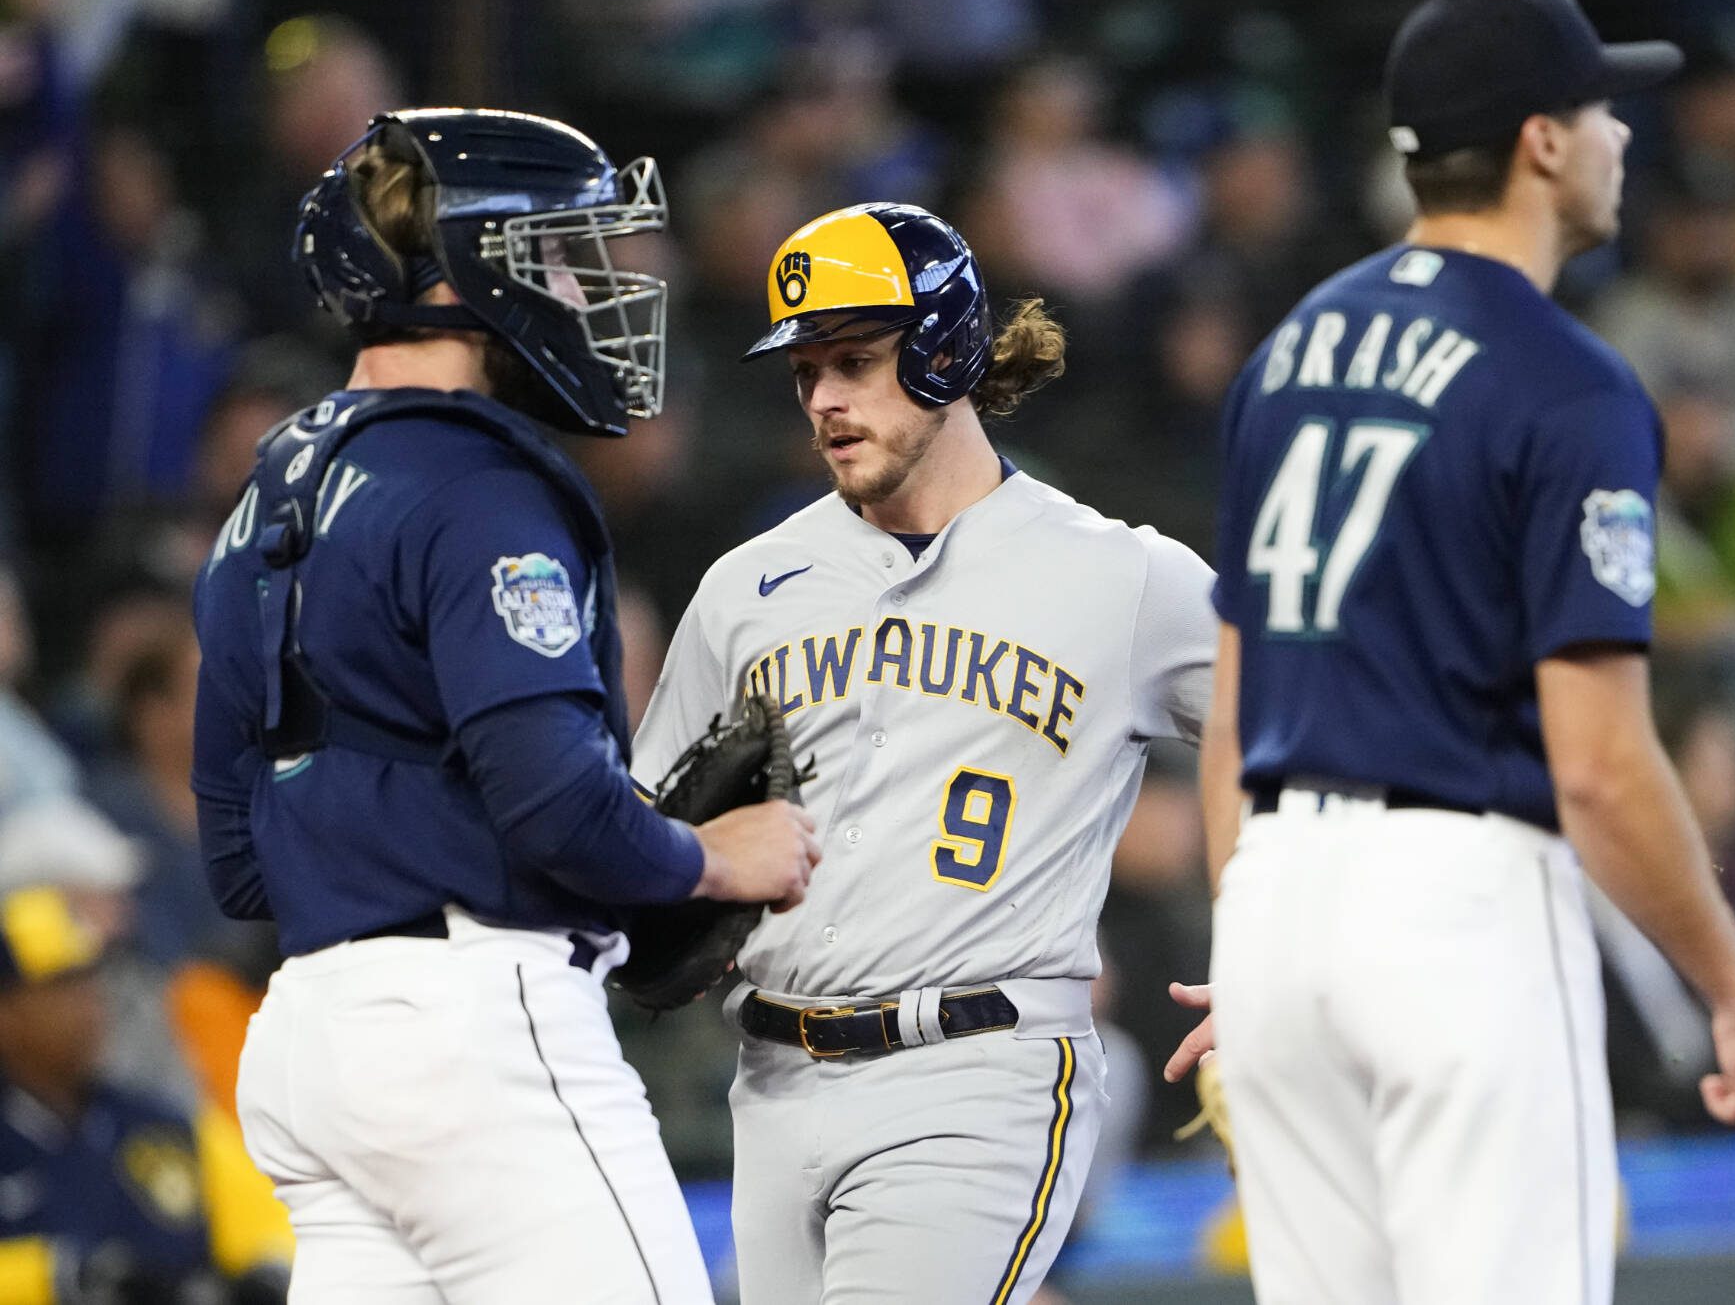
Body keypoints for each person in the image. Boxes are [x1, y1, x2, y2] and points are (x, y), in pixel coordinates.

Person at [1163, 0, 1735, 1305]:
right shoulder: (1567, 380)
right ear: (1542, 142)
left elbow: (1231, 708)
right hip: (1453, 905)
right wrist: (1733, 987)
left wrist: (1251, 944)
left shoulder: (1287, 353)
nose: (1621, 133)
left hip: (1271, 902)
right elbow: (1600, 768)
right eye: (1601, 108)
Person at [189, 109, 821, 1303]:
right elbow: (556, 807)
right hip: (474, 1036)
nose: (587, 287)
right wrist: (706, 856)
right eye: (562, 254)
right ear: (469, 269)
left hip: (311, 1034)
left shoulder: (262, 501)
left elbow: (237, 861)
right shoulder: (476, 485)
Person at [632, 202, 1214, 1303]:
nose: (823, 399)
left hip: (978, 1071)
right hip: (772, 1078)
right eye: (804, 372)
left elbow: (1303, 730)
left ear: (944, 351)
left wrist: (1281, 953)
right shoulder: (746, 587)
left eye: (853, 361)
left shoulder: (1120, 576)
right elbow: (648, 816)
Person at [0, 883, 291, 1303]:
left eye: (90, 982)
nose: (89, 1005)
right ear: (7, 1011)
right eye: (61, 988)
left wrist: (266, 1272)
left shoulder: (160, 1121)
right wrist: (56, 1276)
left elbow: (267, 1220)